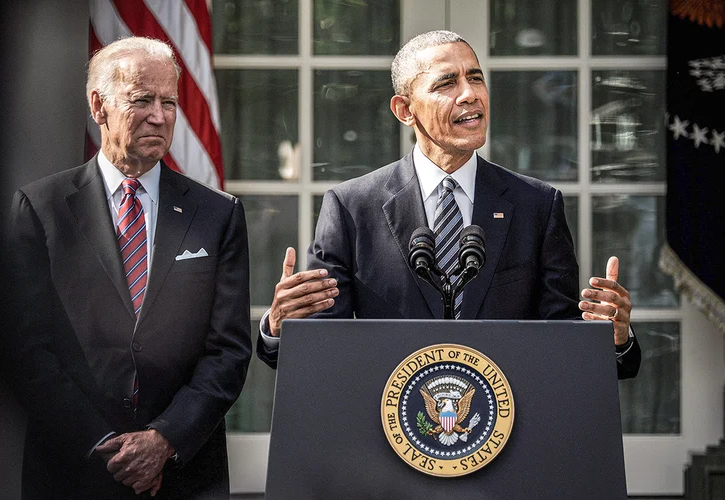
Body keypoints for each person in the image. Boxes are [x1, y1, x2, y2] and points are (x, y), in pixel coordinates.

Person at [256, 30, 640, 379]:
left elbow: (564, 347)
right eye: (446, 83)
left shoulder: (536, 205)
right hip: (387, 434)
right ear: (405, 110)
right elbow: (319, 349)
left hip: (507, 434)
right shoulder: (352, 207)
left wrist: (614, 337)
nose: (470, 93)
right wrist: (280, 326)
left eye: (475, 77)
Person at [5, 36, 251, 499]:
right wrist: (104, 445)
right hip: (72, 471)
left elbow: (229, 352)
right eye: (142, 100)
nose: (159, 116)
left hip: (185, 474)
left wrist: (163, 441)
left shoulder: (217, 214)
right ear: (98, 106)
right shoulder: (42, 208)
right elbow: (26, 348)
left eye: (169, 101)